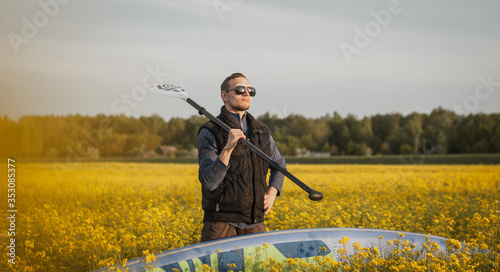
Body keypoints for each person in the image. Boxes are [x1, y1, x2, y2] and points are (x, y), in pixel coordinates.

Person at [197, 72, 287, 242]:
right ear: (224, 95)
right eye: (239, 90)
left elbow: (279, 164)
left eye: (250, 90)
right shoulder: (210, 130)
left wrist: (273, 191)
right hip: (221, 223)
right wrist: (227, 148)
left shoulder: (261, 131)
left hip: (255, 221)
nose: (246, 93)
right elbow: (209, 182)